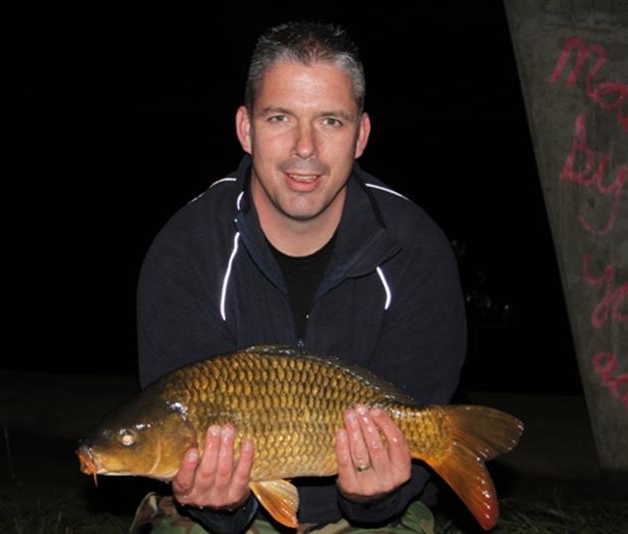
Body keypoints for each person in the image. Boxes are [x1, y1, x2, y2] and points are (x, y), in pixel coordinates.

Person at [137, 21, 466, 533]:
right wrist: (222, 506)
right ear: (246, 129)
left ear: (361, 135)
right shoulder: (186, 254)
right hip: (231, 513)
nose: (305, 147)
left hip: (366, 516)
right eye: (280, 118)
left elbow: (409, 462)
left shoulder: (415, 252)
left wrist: (374, 498)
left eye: (330, 121)